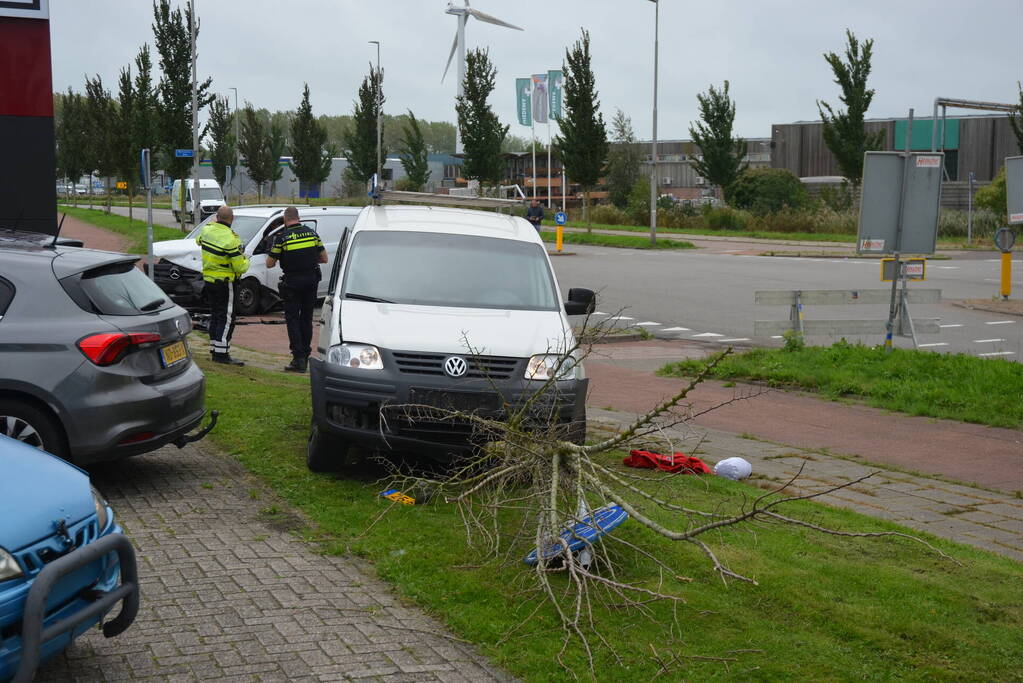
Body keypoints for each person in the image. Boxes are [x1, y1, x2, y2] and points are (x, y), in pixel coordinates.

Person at [266, 206, 326, 372]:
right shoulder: (312, 234)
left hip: (292, 282)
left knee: (292, 319)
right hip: (311, 280)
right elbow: (324, 258)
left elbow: (269, 264)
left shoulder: (282, 238)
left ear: (285, 220)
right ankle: (305, 355)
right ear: (298, 218)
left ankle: (298, 359)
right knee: (306, 318)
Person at [197, 205, 249, 365]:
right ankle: (221, 353)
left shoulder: (206, 230)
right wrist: (246, 259)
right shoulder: (232, 239)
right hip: (225, 283)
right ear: (231, 219)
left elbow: (198, 240)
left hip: (209, 280)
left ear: (217, 217)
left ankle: (215, 347)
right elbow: (240, 267)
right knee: (226, 317)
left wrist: (212, 224)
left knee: (215, 314)